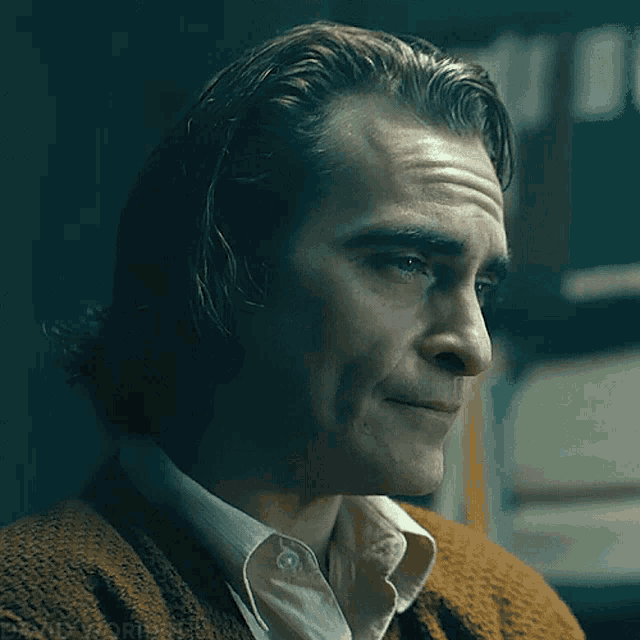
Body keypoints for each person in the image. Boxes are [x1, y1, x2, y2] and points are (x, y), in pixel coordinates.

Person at [0, 21, 584, 640]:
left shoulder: (512, 616)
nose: (474, 346)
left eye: (482, 287)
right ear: (222, 268)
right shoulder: (39, 616)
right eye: (407, 263)